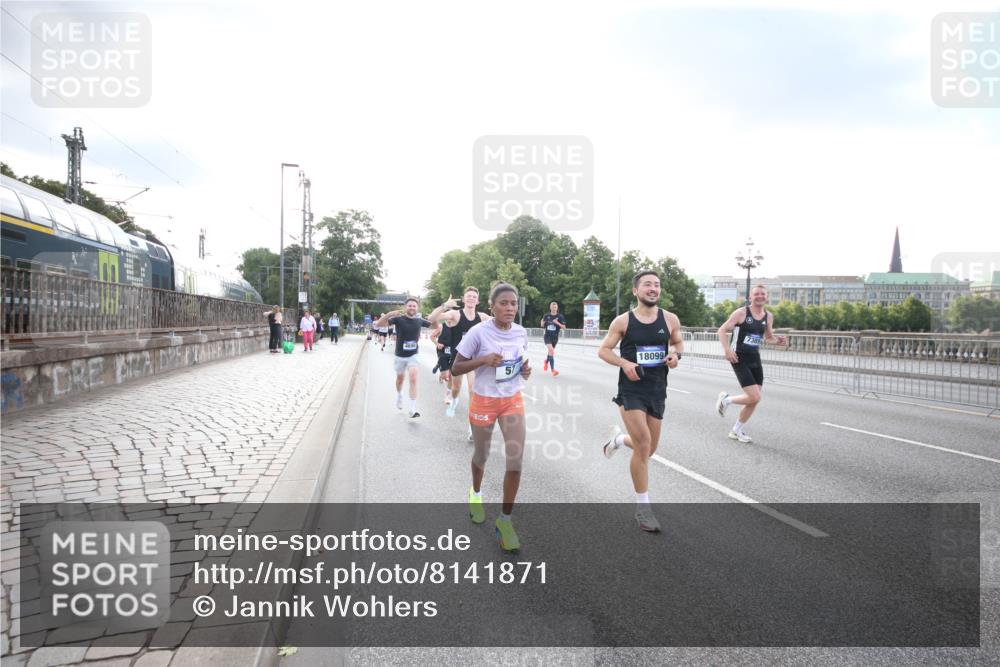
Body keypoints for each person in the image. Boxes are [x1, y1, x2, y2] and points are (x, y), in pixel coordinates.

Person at [598, 270, 683, 533]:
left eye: (656, 284)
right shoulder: (623, 321)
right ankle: (643, 509)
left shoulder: (670, 319)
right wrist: (624, 363)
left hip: (657, 389)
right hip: (631, 390)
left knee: (648, 450)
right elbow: (603, 350)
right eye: (647, 284)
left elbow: (678, 343)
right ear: (636, 290)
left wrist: (676, 355)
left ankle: (617, 440)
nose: (653, 288)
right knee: (644, 444)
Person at [451, 282, 531, 553]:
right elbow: (456, 367)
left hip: (512, 399)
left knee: (516, 460)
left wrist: (524, 370)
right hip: (484, 399)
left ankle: (505, 522)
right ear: (492, 306)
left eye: (513, 303)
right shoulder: (478, 332)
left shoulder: (520, 332)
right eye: (503, 303)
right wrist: (483, 360)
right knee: (482, 455)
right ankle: (475, 493)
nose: (510, 308)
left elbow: (518, 364)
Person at [714, 285, 788, 443]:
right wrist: (727, 350)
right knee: (755, 396)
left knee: (755, 399)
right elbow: (722, 330)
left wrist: (778, 341)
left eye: (763, 294)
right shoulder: (741, 313)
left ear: (767, 297)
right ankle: (726, 400)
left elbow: (768, 337)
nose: (760, 296)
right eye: (756, 294)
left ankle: (736, 430)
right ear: (750, 297)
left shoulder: (768, 316)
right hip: (738, 357)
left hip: (755, 357)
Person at [426, 287, 491, 426]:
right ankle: (454, 400)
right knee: (456, 388)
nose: (471, 298)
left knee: (473, 389)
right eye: (469, 296)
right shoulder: (455, 314)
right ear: (463, 299)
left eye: (474, 296)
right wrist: (444, 306)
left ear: (478, 301)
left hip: (474, 359)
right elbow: (431, 318)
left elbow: (501, 322)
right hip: (458, 359)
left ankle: (472, 425)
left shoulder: (482, 317)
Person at [374, 298, 432, 418]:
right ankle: (399, 395)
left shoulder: (420, 321)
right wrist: (390, 314)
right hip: (400, 355)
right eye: (409, 305)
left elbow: (435, 325)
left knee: (413, 378)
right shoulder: (398, 319)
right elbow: (378, 324)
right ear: (405, 307)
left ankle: (412, 409)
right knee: (400, 379)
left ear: (417, 308)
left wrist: (436, 315)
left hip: (413, 355)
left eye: (414, 306)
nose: (412, 308)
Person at [540, 301, 567, 377]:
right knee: (551, 350)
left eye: (555, 307)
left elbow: (564, 327)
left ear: (557, 308)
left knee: (550, 352)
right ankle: (553, 370)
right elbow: (542, 325)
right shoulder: (546, 315)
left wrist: (557, 323)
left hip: (555, 337)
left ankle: (546, 361)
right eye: (553, 307)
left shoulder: (560, 316)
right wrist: (542, 322)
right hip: (547, 336)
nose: (554, 308)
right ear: (550, 308)